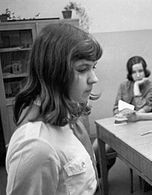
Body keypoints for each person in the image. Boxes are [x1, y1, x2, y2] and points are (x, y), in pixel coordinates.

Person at [6, 23, 101, 194]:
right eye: (82, 69)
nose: (94, 79)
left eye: (93, 67)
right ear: (54, 73)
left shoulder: (68, 119)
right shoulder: (35, 146)